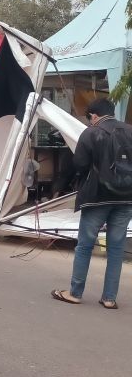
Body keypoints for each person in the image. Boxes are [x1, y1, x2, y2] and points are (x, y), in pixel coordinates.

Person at [52, 98, 132, 309]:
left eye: (90, 117)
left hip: (97, 197)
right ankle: (109, 298)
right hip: (126, 198)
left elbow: (79, 164)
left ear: (94, 115)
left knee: (85, 245)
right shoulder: (130, 131)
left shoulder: (91, 133)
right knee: (116, 248)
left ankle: (75, 292)